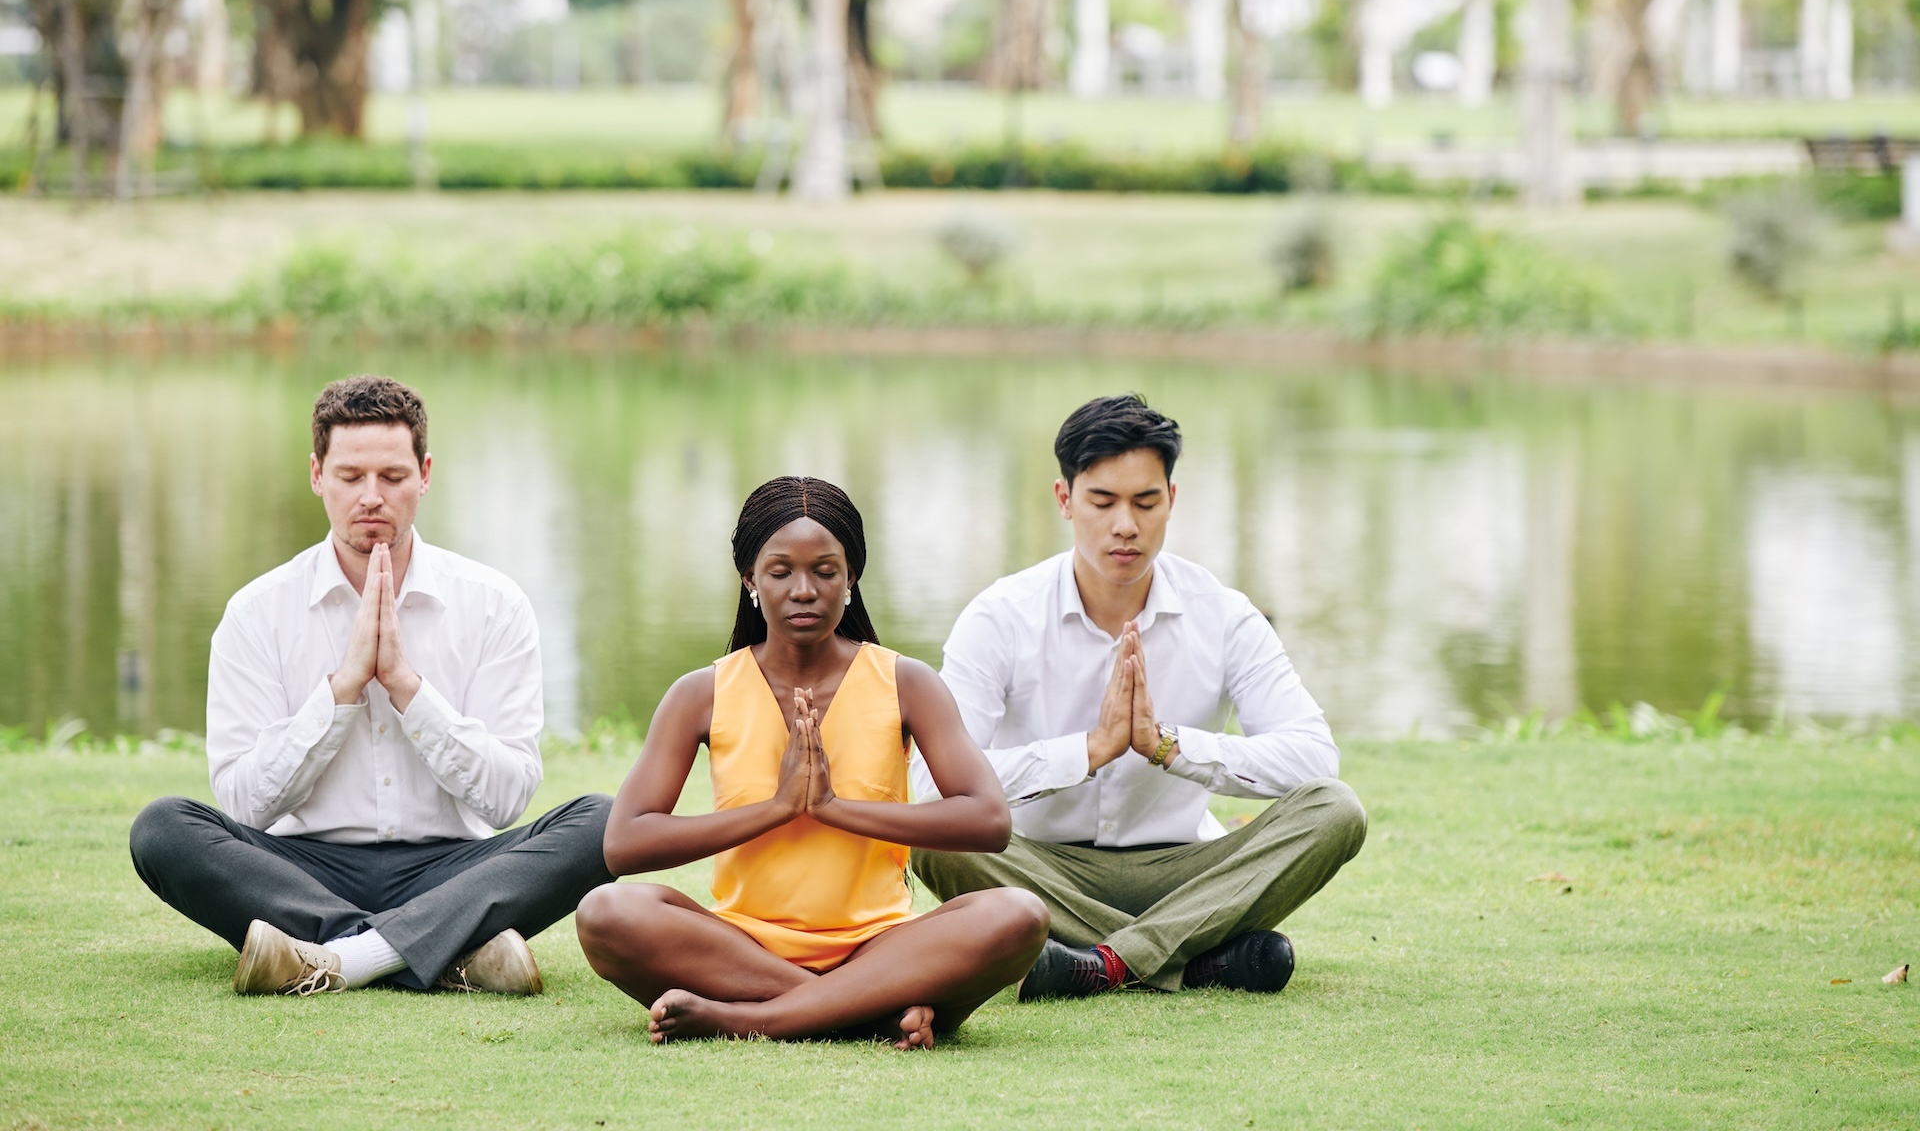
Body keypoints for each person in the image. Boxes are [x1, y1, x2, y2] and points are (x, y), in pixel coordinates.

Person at [128, 375, 612, 997]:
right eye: (350, 477)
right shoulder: (257, 612)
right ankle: (450, 952)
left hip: (452, 867)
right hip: (303, 870)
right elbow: (245, 804)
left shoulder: (494, 605)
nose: (371, 497)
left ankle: (341, 958)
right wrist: (342, 690)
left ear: (425, 473)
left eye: (392, 477)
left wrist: (409, 690)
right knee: (163, 829)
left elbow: (506, 798)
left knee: (605, 821)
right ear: (316, 474)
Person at [910, 393, 1367, 999]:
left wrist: (1170, 747)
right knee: (930, 836)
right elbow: (928, 784)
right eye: (1102, 501)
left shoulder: (1224, 616)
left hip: (1186, 872)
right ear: (1065, 500)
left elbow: (1315, 760)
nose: (1125, 524)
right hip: (1038, 865)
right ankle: (1201, 959)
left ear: (1171, 502)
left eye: (1145, 502)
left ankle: (1099, 963)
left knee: (1337, 810)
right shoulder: (1001, 616)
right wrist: (1087, 752)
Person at [576, 476, 1047, 1049]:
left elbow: (988, 821)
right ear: (750, 579)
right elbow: (624, 844)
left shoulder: (906, 683)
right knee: (606, 912)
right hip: (741, 948)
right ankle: (865, 1012)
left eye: (825, 571)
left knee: (1018, 915)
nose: (804, 590)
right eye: (781, 572)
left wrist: (833, 808)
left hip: (883, 948)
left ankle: (757, 1019)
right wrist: (776, 809)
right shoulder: (701, 694)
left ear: (851, 578)